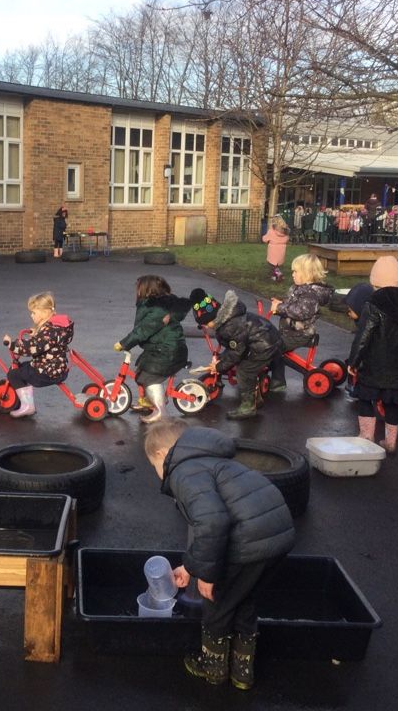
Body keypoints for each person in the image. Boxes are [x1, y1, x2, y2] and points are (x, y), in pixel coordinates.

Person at [143, 420, 295, 689]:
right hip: (278, 536)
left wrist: (206, 574)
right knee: (244, 599)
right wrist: (190, 567)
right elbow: (214, 526)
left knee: (216, 605)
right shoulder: (214, 462)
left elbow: (213, 523)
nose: (158, 472)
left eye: (154, 466)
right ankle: (242, 673)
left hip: (247, 542)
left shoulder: (183, 471)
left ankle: (213, 668)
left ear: (161, 454)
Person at [347, 257, 398, 453]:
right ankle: (391, 441)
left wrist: (353, 361)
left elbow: (364, 336)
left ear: (374, 282)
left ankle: (367, 436)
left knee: (365, 398)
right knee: (392, 403)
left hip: (374, 364)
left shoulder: (373, 304)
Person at [191, 288, 282, 420]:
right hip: (266, 338)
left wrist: (220, 366)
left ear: (213, 318)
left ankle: (248, 407)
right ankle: (256, 398)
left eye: (206, 323)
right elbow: (236, 346)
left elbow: (237, 351)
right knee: (245, 364)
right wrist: (222, 359)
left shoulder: (229, 327)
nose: (207, 326)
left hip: (265, 345)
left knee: (244, 371)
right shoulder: (229, 318)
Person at [114, 275, 190, 423]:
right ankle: (151, 400)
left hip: (168, 351)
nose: (136, 292)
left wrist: (124, 343)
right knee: (141, 370)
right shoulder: (157, 305)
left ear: (146, 290)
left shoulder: (156, 309)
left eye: (138, 289)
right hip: (161, 348)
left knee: (149, 377)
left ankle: (161, 411)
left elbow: (143, 330)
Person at [2, 291, 73, 418]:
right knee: (23, 367)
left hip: (46, 372)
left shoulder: (49, 332)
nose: (31, 315)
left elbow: (32, 348)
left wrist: (12, 345)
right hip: (57, 368)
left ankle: (28, 405)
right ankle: (22, 396)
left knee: (14, 374)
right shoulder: (57, 327)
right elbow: (48, 340)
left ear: (45, 313)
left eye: (34, 312)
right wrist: (38, 333)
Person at [268, 254, 333, 392]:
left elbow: (300, 312)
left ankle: (278, 381)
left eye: (295, 271)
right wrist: (281, 304)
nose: (292, 274)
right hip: (291, 331)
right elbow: (292, 306)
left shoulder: (310, 294)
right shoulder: (300, 288)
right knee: (272, 343)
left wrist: (279, 308)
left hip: (299, 334)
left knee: (273, 348)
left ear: (307, 274)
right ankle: (276, 379)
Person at [261, 215, 290, 282]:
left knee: (271, 264)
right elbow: (287, 239)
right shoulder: (285, 232)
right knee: (277, 264)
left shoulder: (271, 231)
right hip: (281, 250)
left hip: (273, 250)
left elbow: (265, 239)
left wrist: (264, 237)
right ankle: (276, 275)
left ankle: (277, 275)